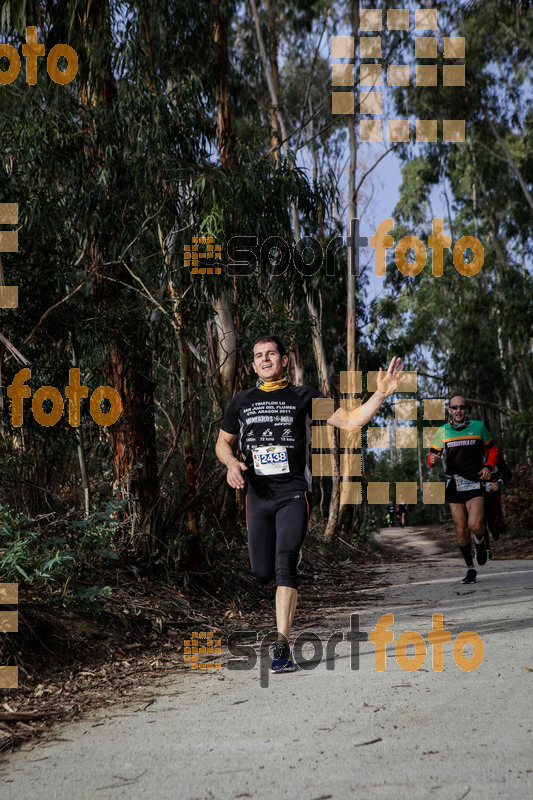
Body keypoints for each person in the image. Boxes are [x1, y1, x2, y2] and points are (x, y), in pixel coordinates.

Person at [216, 335, 405, 673]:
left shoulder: (303, 395)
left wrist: (380, 393)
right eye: (258, 355)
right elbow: (222, 444)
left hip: (292, 493)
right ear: (254, 364)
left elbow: (350, 420)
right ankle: (283, 560)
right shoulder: (241, 400)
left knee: (284, 563)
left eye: (271, 353)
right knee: (262, 573)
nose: (264, 359)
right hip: (257, 497)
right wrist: (231, 463)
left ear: (284, 360)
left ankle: (281, 647)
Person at [427, 396, 499, 584]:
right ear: (449, 410)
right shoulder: (442, 431)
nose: (458, 410)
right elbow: (432, 456)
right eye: (454, 407)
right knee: (461, 531)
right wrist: (432, 461)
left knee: (475, 524)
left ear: (467, 409)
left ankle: (481, 541)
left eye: (462, 407)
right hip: (454, 484)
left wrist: (488, 467)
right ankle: (470, 569)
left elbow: (493, 450)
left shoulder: (478, 427)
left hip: (475, 482)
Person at [483, 456, 512, 548]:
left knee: (494, 519)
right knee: (480, 522)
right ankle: (485, 548)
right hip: (477, 495)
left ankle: (494, 530)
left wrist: (499, 482)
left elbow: (508, 474)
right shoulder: (473, 457)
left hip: (493, 494)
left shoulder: (496, 458)